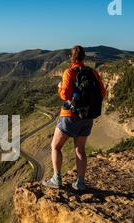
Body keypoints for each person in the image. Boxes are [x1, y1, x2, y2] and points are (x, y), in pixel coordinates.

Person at [42, 46, 106, 191]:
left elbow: (65, 95)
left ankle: (56, 179)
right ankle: (80, 183)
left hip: (70, 116)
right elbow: (102, 92)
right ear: (84, 57)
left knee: (56, 147)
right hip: (87, 117)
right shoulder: (93, 72)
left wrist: (59, 87)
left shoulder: (69, 72)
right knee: (80, 150)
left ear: (71, 57)